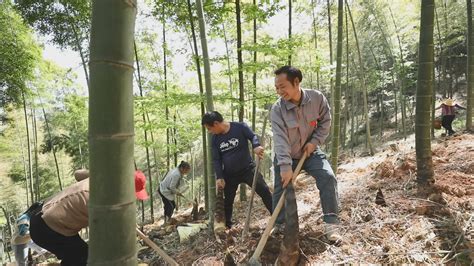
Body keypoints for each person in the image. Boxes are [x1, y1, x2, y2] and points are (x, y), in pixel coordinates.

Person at [270, 65, 341, 242]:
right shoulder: (277, 110)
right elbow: (280, 139)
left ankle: (331, 225)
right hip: (286, 155)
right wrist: (285, 167)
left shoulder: (317, 98)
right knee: (281, 188)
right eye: (276, 87)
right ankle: (279, 226)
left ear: (296, 82)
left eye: (282, 86)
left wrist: (314, 142)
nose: (279, 91)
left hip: (310, 152)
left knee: (328, 177)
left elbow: (325, 121)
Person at [29, 169, 149, 265]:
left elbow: (78, 173)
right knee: (82, 258)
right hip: (46, 227)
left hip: (46, 219)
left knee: (80, 257)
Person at [202, 111, 273, 229]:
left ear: (216, 123)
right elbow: (216, 159)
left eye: (209, 129)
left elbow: (252, 136)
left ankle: (277, 217)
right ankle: (227, 226)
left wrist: (256, 145)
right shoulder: (215, 139)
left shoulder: (239, 127)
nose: (210, 132)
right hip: (229, 175)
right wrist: (220, 176)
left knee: (264, 191)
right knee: (227, 202)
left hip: (248, 169)